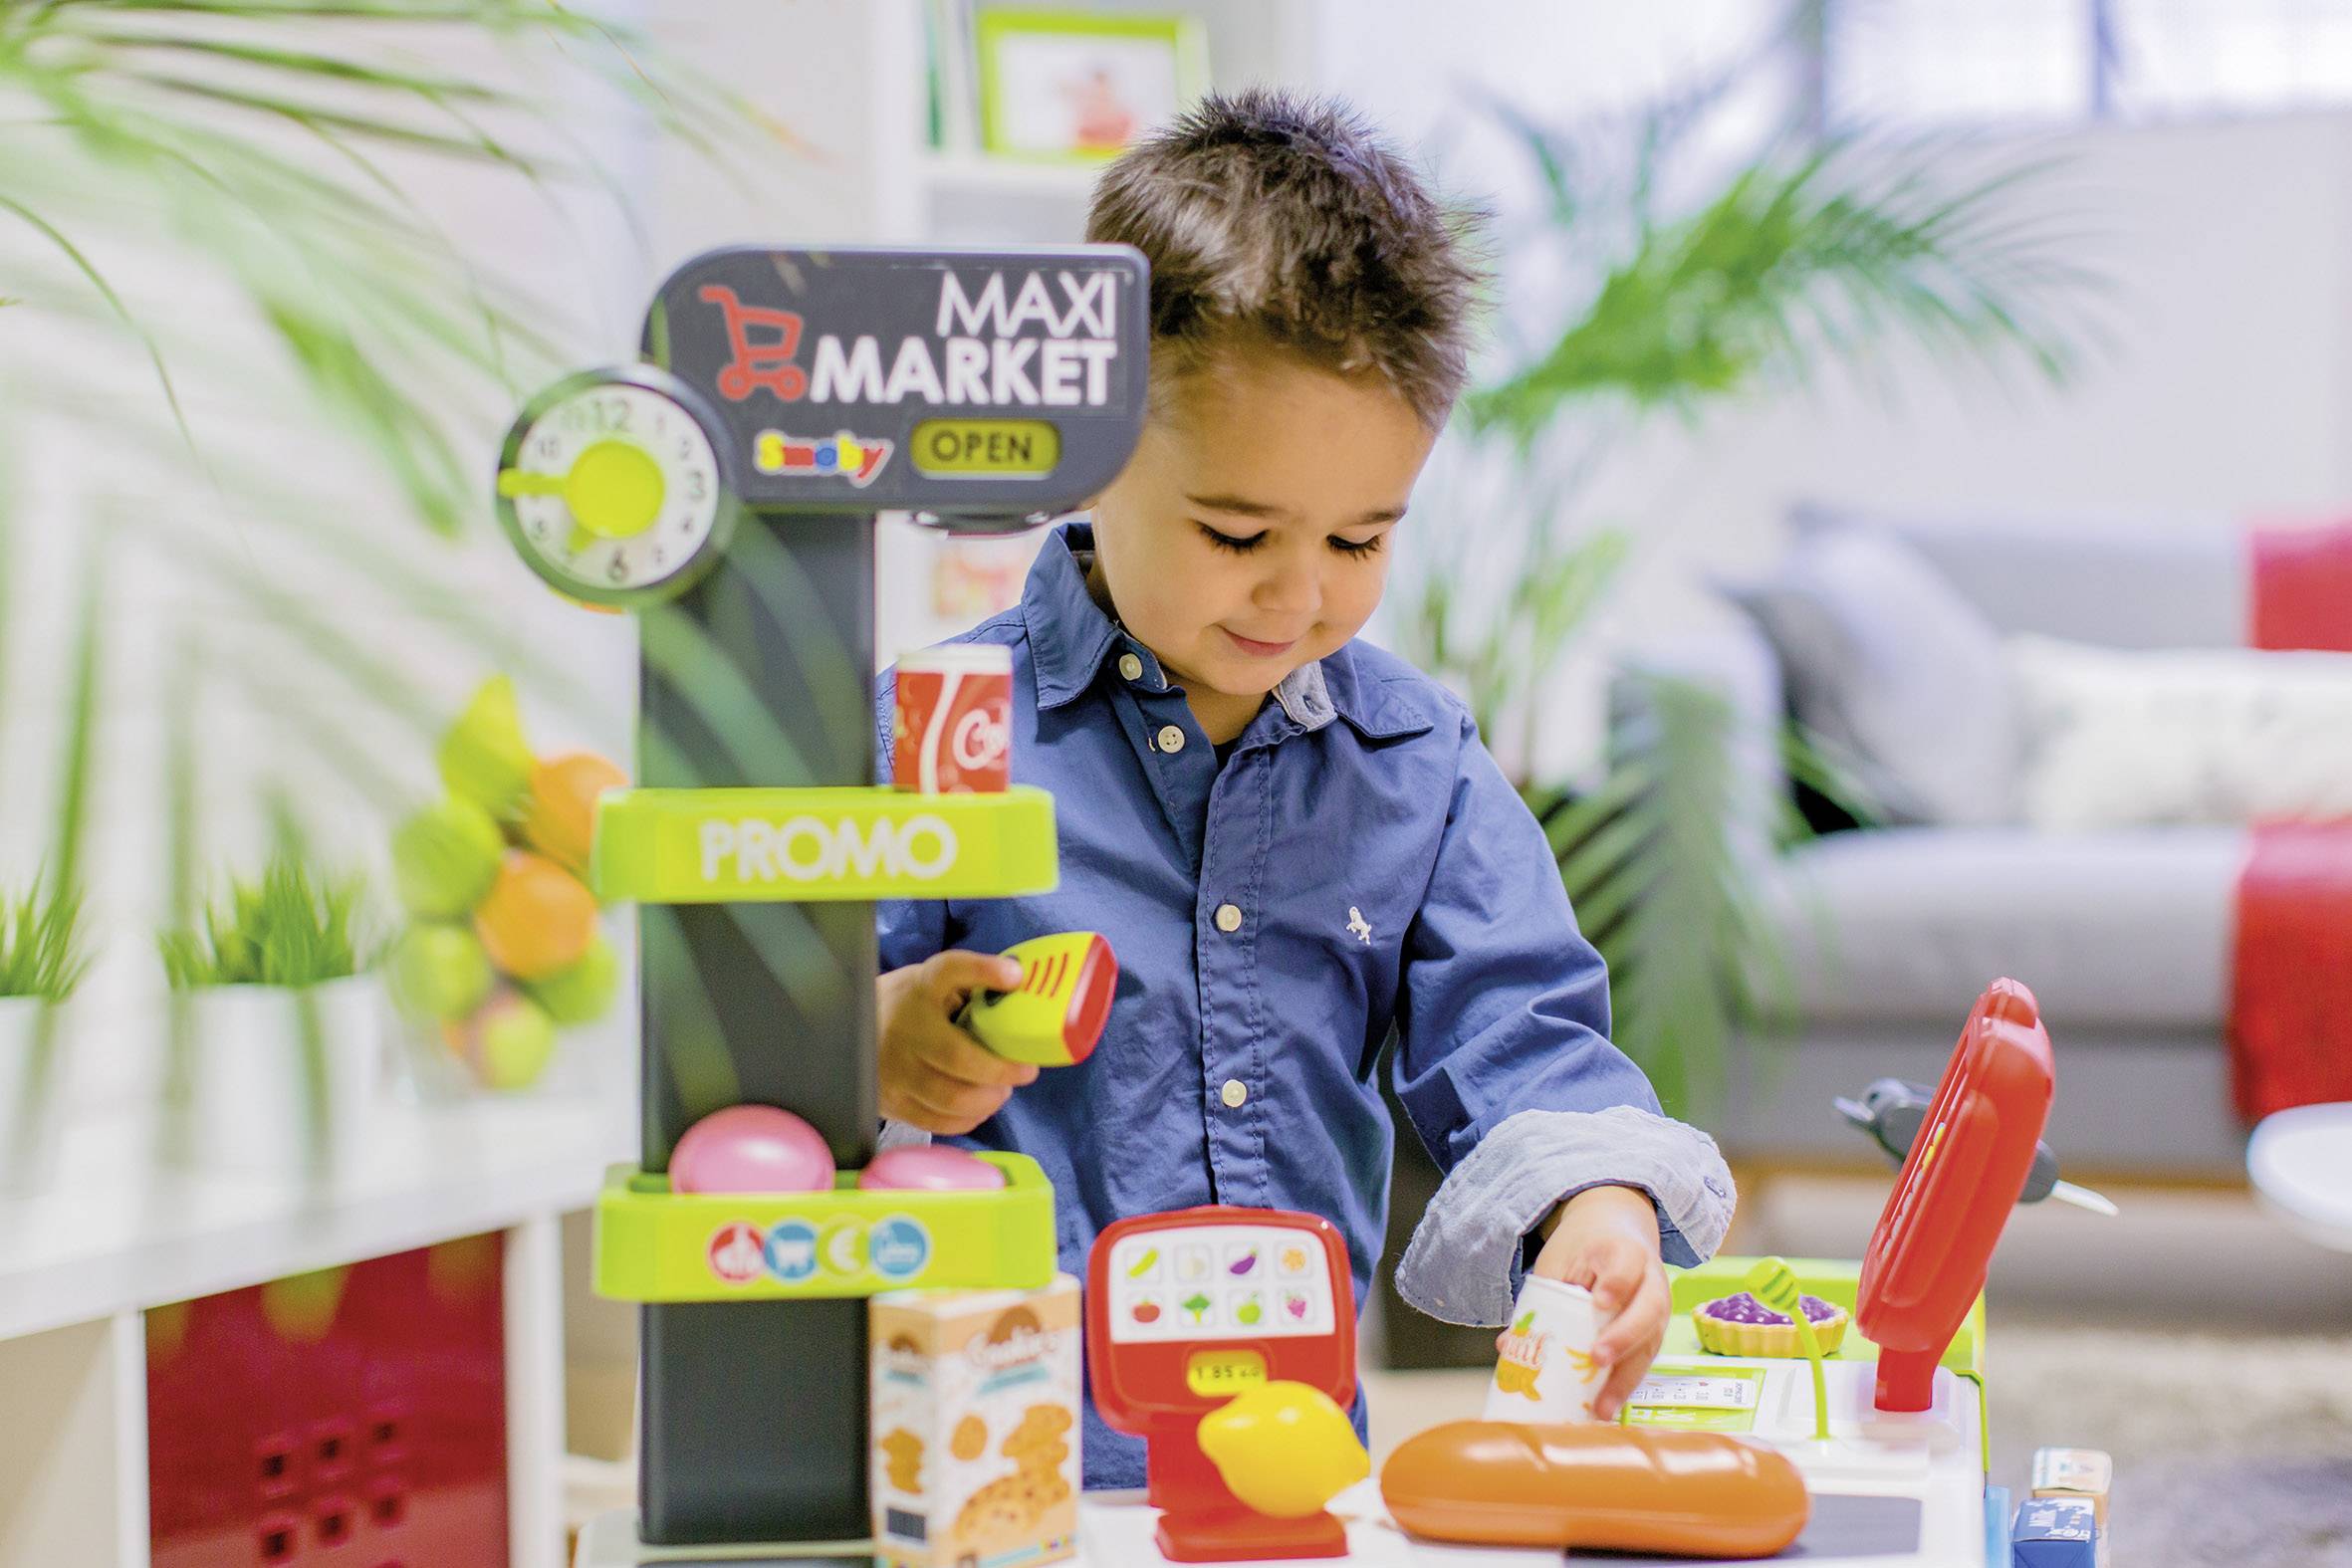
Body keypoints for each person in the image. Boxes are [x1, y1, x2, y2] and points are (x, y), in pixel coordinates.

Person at [875, 88, 1735, 1488]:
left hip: (1291, 1474)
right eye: (1235, 532)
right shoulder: (942, 736)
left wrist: (1597, 1198)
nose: (1299, 591)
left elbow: (1519, 1034)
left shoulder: (1417, 767)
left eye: (1359, 536)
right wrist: (880, 1037)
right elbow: (778, 1079)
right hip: (995, 1470)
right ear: (1090, 451)